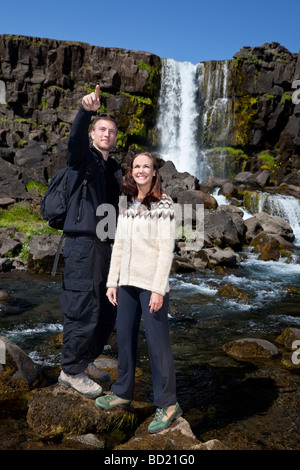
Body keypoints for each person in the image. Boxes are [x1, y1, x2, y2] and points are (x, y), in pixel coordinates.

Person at [95, 152, 182, 433]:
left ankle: (168, 404)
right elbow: (119, 245)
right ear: (131, 172)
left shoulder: (164, 203)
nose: (141, 170)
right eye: (136, 167)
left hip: (150, 286)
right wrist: (112, 282)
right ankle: (122, 391)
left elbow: (166, 250)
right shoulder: (127, 203)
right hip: (127, 284)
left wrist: (158, 289)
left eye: (146, 166)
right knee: (124, 337)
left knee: (157, 344)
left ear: (155, 172)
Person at [58, 85, 122, 398]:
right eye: (101, 129)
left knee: (108, 309)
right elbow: (73, 143)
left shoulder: (112, 169)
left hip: (105, 246)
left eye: (111, 131)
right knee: (82, 307)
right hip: (83, 245)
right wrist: (85, 112)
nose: (107, 134)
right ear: (92, 134)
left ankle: (84, 361)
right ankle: (70, 371)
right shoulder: (84, 160)